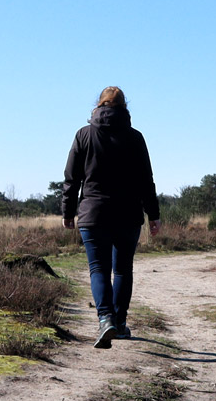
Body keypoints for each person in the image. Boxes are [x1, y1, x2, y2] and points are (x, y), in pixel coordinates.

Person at [61, 87, 162, 348]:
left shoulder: (83, 135)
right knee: (122, 270)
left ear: (99, 105)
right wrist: (154, 215)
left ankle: (105, 319)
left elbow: (72, 178)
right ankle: (119, 322)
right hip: (128, 215)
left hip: (93, 214)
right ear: (124, 107)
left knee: (99, 269)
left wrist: (68, 212)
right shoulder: (135, 137)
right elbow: (146, 181)